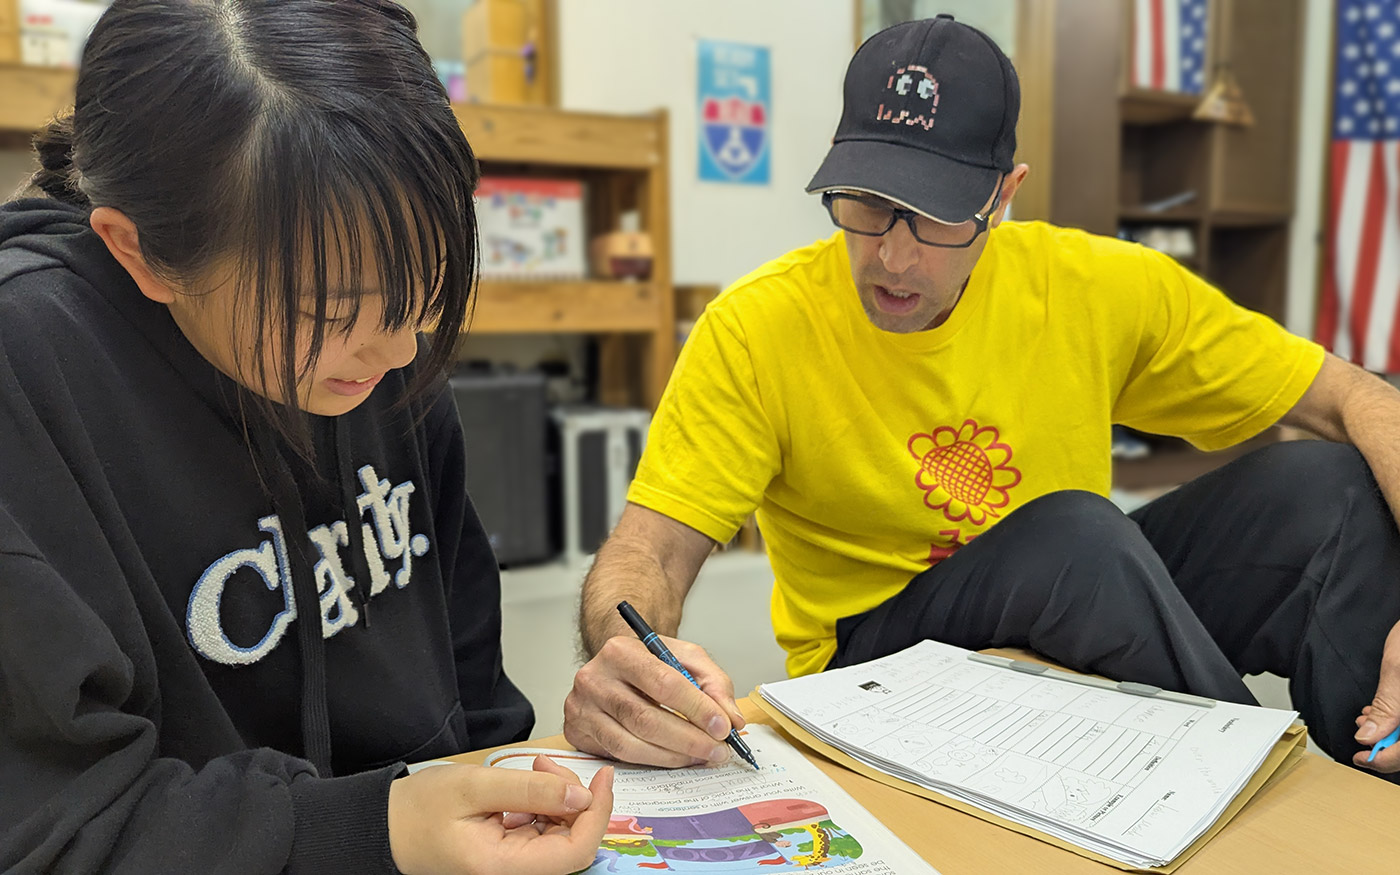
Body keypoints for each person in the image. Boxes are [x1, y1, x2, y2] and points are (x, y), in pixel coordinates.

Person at [564, 14, 1400, 780]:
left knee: (1326, 490)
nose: (892, 257)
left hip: (1077, 599)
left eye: (934, 217)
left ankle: (1378, 770)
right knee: (1076, 535)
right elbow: (651, 551)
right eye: (866, 204)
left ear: (1004, 194)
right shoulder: (756, 327)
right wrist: (626, 654)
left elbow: (1358, 396)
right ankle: (1272, 811)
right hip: (876, 660)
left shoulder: (1095, 285)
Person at [0, 2, 612, 873]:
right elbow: (54, 827)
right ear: (138, 253)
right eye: (330, 311)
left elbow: (469, 680)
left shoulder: (380, 349)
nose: (402, 351)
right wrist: (380, 827)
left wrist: (523, 775)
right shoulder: (28, 372)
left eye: (423, 291)